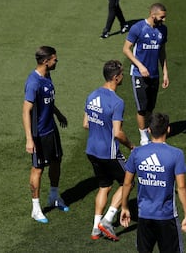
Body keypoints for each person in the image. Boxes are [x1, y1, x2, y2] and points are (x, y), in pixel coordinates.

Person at [120, 113, 186, 253]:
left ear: (149, 130)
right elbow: (181, 187)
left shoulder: (137, 153)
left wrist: (124, 207)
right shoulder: (176, 154)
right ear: (168, 129)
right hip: (167, 216)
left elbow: (127, 183)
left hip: (144, 216)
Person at [83, 60, 135, 240]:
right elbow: (118, 133)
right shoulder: (117, 102)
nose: (123, 76)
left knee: (104, 186)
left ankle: (95, 229)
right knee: (128, 181)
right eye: (121, 74)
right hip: (109, 152)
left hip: (91, 150)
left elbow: (85, 124)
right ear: (115, 77)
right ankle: (108, 219)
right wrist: (131, 146)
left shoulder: (91, 95)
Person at [22, 46, 69, 224]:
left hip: (51, 129)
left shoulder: (47, 76)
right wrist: (29, 138)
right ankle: (36, 208)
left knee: (57, 161)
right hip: (39, 134)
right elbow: (26, 110)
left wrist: (58, 113)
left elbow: (48, 100)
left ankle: (54, 196)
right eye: (54, 59)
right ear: (45, 61)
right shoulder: (33, 82)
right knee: (38, 169)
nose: (56, 62)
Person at [122, 3, 169, 145]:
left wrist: (165, 73)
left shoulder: (163, 30)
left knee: (150, 107)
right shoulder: (138, 28)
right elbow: (126, 49)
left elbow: (162, 51)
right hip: (138, 74)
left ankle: (148, 130)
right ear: (153, 15)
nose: (164, 20)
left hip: (154, 75)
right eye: (162, 17)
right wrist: (140, 66)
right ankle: (143, 137)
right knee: (141, 108)